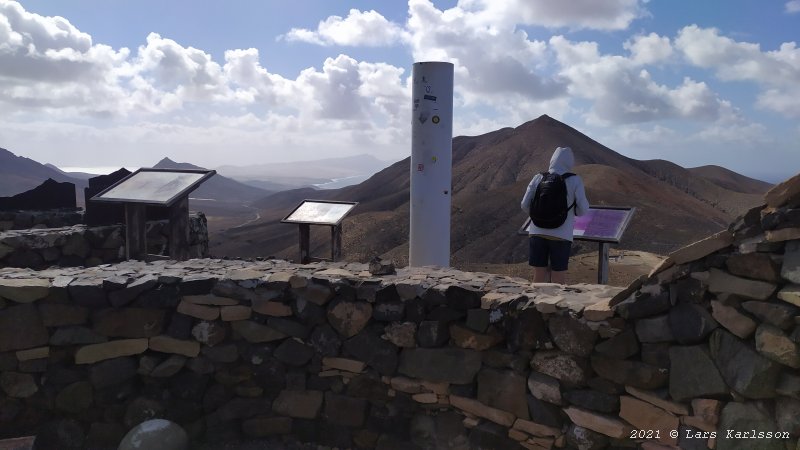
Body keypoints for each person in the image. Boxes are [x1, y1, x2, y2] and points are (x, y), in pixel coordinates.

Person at [520, 146, 589, 284]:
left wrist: (539, 216)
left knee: (539, 274)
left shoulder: (538, 177)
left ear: (552, 160)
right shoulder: (575, 180)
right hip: (561, 234)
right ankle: (555, 305)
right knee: (558, 275)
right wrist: (571, 213)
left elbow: (524, 204)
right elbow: (583, 209)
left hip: (536, 232)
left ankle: (535, 304)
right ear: (570, 162)